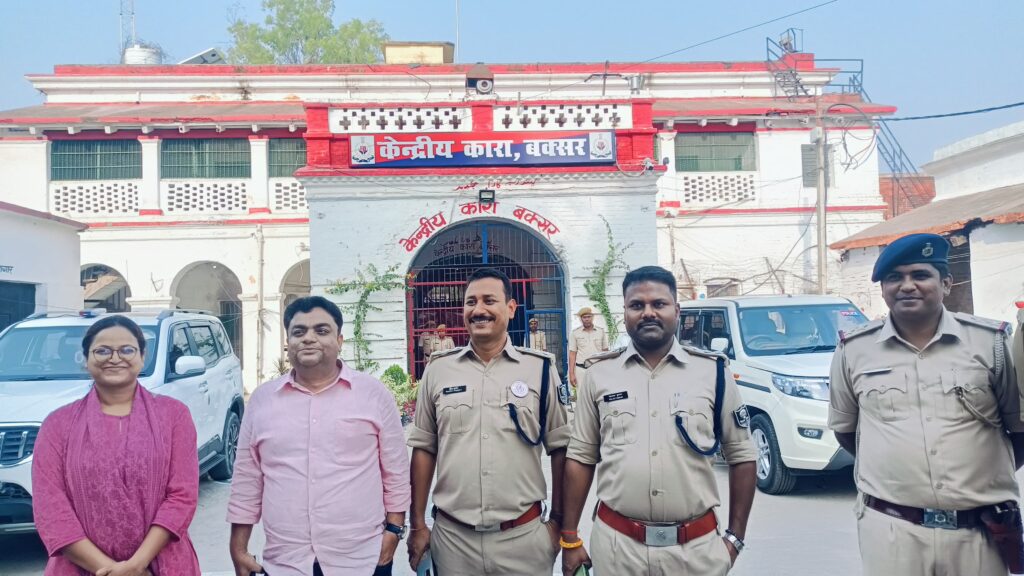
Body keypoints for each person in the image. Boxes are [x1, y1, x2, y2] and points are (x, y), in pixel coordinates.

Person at [829, 233, 1024, 576]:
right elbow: (847, 432)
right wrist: (900, 466)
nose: (907, 286)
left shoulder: (990, 343)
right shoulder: (854, 350)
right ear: (883, 289)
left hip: (979, 531)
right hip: (892, 529)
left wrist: (978, 478)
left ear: (946, 283)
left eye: (920, 275)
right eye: (895, 278)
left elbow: (1019, 429)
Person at [560, 266, 757, 576]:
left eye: (659, 304)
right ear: (625, 313)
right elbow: (581, 458)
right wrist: (570, 537)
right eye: (637, 305)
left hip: (696, 551)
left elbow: (742, 456)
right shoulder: (600, 375)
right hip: (618, 550)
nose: (648, 313)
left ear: (676, 310)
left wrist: (734, 539)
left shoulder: (713, 373)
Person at [228, 296, 410, 576]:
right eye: (299, 331)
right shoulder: (262, 401)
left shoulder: (373, 395)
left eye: (321, 330)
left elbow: (395, 471)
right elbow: (247, 479)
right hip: (285, 562)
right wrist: (238, 548)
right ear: (288, 342)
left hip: (362, 559)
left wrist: (395, 531)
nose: (309, 338)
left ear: (340, 340)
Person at [406, 267, 571, 575]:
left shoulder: (540, 369)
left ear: (511, 308)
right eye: (471, 302)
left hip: (524, 541)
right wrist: (417, 525)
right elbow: (424, 448)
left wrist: (559, 524)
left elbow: (561, 448)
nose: (478, 310)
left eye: (489, 301)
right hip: (453, 543)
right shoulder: (438, 370)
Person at [32, 315, 201, 576]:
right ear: (85, 359)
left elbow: (182, 496)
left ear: (142, 356)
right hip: (79, 567)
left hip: (163, 565)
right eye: (102, 351)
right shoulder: (58, 424)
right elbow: (51, 508)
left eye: (126, 350)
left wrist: (137, 565)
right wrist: (109, 570)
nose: (114, 358)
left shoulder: (174, 415)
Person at [568, 306, 608, 395]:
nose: (587, 319)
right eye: (584, 317)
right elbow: (572, 354)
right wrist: (571, 374)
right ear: (581, 319)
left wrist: (606, 370)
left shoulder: (600, 331)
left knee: (599, 395)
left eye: (589, 317)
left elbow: (605, 352)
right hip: (581, 370)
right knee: (582, 396)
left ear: (592, 317)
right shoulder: (575, 333)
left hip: (598, 369)